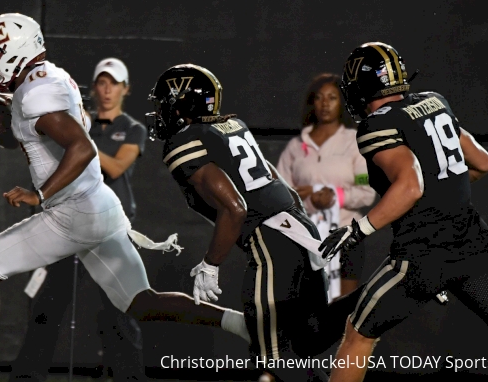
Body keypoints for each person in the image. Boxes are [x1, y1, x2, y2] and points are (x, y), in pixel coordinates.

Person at [0, 13, 250, 382]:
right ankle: (238, 323)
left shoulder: (33, 96)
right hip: (102, 207)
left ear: (12, 51)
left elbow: (82, 148)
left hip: (71, 214)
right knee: (141, 303)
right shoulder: (50, 75)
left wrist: (39, 194)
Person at [147, 63, 367, 382]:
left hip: (272, 244)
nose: (163, 110)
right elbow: (282, 185)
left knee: (274, 357)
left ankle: (388, 289)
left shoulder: (185, 141)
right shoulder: (231, 124)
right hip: (301, 228)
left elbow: (235, 207)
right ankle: (380, 289)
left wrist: (211, 264)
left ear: (185, 104)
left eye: (167, 102)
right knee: (309, 337)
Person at [319, 42, 488, 382]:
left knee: (358, 334)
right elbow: (482, 163)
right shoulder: (435, 102)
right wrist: (443, 198)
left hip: (421, 259)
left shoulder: (375, 125)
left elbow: (410, 187)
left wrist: (359, 230)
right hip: (474, 246)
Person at [9, 58, 147, 381]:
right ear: (94, 87)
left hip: (110, 228)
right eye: (101, 82)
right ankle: (27, 376)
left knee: (120, 310)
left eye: (114, 83)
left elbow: (115, 167)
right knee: (47, 304)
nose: (107, 89)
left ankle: (130, 377)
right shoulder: (79, 122)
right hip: (71, 221)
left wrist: (78, 138)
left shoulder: (132, 128)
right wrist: (76, 131)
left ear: (125, 89)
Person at [277, 73, 376, 300]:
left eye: (332, 97)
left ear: (341, 102)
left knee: (341, 311)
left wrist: (334, 196)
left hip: (346, 236)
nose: (325, 104)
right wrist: (309, 197)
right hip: (304, 239)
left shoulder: (354, 142)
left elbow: (366, 190)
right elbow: (281, 192)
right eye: (319, 98)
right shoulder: (296, 146)